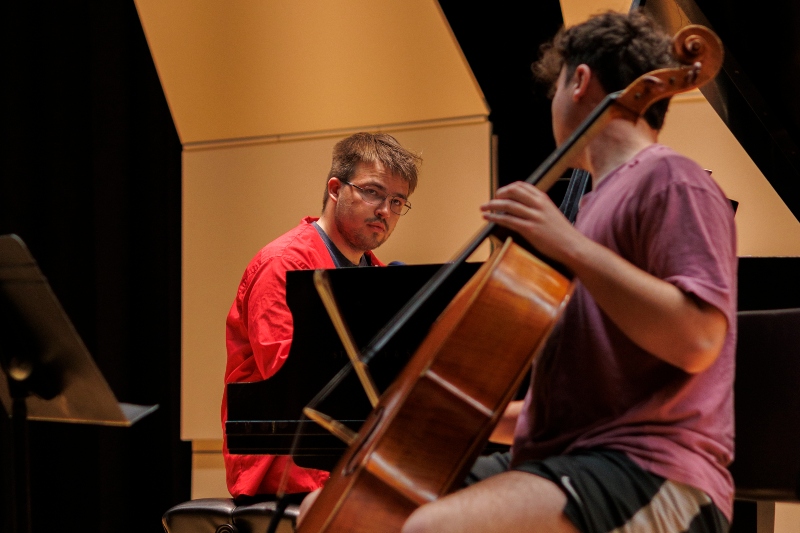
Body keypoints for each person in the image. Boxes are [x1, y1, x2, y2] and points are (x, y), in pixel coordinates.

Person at [401, 11, 736, 533]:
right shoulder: (597, 202)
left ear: (579, 81)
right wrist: (446, 413)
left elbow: (698, 340)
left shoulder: (672, 178)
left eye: (555, 86)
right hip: (576, 458)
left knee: (434, 529)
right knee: (356, 514)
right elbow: (578, 403)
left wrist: (569, 244)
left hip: (655, 471)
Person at [222, 132, 421, 502]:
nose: (385, 211)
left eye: (397, 201)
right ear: (335, 188)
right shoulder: (284, 265)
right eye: (374, 192)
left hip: (354, 454)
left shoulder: (379, 275)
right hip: (289, 462)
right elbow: (292, 380)